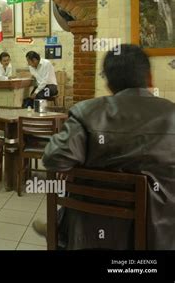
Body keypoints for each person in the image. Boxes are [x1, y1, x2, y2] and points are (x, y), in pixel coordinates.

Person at [34, 44, 175, 250]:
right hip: (162, 235)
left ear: (109, 84)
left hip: (88, 232)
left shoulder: (86, 112)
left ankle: (57, 228)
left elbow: (53, 158)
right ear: (150, 79)